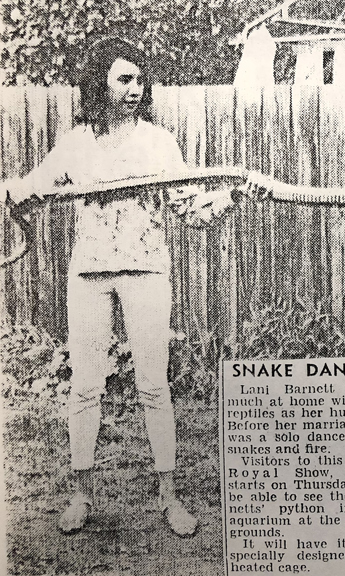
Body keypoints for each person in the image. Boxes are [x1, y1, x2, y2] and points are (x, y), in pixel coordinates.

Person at [4, 37, 232, 537]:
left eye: (139, 79)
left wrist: (221, 201)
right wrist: (14, 193)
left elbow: (188, 207)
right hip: (89, 272)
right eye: (123, 79)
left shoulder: (157, 142)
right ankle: (82, 494)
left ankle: (169, 498)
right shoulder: (78, 143)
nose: (135, 88)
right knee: (86, 385)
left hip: (146, 269)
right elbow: (33, 185)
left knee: (153, 384)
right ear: (99, 83)